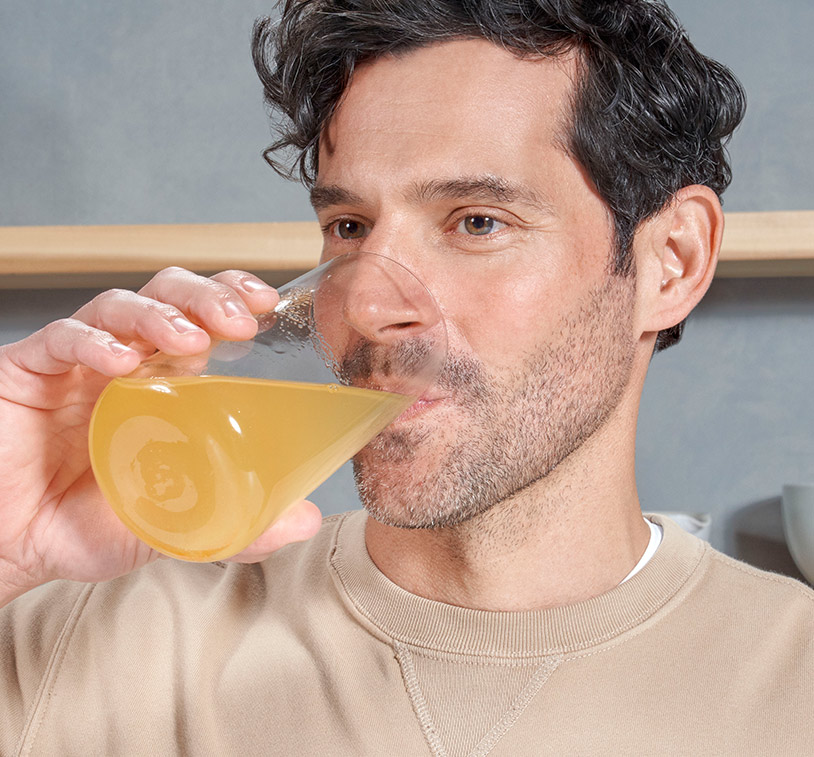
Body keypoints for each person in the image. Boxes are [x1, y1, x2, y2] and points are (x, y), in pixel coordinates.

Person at [1, 0, 812, 754]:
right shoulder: (94, 642)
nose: (370, 304)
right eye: (349, 227)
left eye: (477, 222)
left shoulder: (792, 681)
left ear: (671, 262)